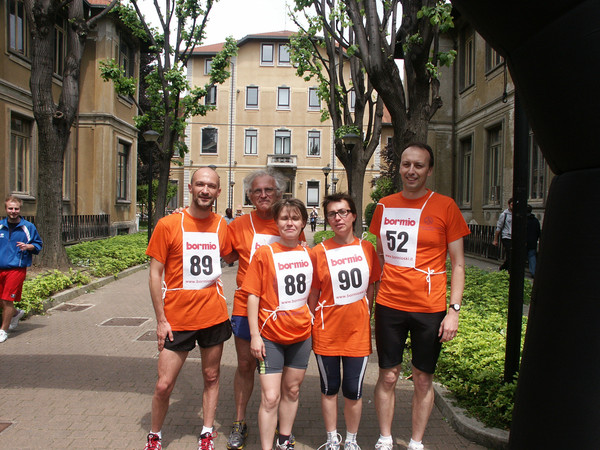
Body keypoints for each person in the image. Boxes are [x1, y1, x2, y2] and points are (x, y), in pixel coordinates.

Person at [369, 143, 470, 450]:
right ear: (399, 167)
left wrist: (453, 310)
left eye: (419, 166)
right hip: (390, 303)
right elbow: (379, 258)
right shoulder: (384, 205)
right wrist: (370, 302)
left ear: (429, 170)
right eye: (406, 164)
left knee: (423, 379)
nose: (411, 171)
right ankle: (385, 438)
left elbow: (459, 264)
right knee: (388, 376)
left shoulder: (445, 206)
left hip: (430, 306)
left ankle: (416, 441)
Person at [144, 167, 235, 450]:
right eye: (200, 185)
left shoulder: (222, 225)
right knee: (164, 384)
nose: (205, 190)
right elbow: (155, 274)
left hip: (213, 315)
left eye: (211, 186)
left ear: (218, 192)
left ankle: (207, 431)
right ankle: (155, 435)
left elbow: (234, 253)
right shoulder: (168, 225)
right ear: (191, 188)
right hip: (177, 318)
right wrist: (160, 320)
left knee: (211, 376)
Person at [225, 170, 305, 450]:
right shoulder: (238, 225)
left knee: (282, 371)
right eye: (257, 191)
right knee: (246, 364)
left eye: (269, 190)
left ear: (279, 194)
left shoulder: (288, 221)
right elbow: (227, 255)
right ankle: (239, 422)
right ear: (249, 195)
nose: (263, 195)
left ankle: (282, 430)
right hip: (246, 306)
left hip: (283, 310)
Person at [308, 193, 381, 450]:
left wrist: (365, 313)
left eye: (343, 212)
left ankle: (351, 440)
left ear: (353, 215)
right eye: (332, 214)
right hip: (327, 332)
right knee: (329, 389)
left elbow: (372, 286)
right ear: (327, 219)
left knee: (353, 390)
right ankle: (332, 439)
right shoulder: (318, 251)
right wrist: (314, 319)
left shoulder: (367, 248)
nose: (338, 218)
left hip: (356, 334)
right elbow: (313, 293)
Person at [243, 198, 313, 450]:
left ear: (304, 222)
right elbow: (252, 295)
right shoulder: (265, 253)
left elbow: (316, 291)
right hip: (270, 336)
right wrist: (254, 335)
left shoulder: (310, 253)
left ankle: (284, 439)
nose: (290, 223)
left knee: (292, 391)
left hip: (302, 335)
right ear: (276, 223)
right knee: (271, 397)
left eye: (295, 218)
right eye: (284, 218)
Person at [0, 196, 43, 343]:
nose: (13, 211)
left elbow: (38, 245)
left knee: (7, 300)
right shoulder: (0, 226)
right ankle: (16, 314)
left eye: (16, 208)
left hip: (16, 269)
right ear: (6, 209)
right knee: (2, 300)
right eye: (10, 208)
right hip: (0, 268)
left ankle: (3, 330)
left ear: (20, 209)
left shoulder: (28, 227)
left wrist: (28, 246)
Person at [493, 198, 513, 271]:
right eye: (511, 204)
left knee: (512, 255)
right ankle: (510, 272)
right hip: (506, 237)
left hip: (514, 237)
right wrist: (495, 239)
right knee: (509, 253)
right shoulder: (504, 215)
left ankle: (503, 267)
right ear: (509, 205)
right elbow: (499, 227)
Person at [526, 204, 541, 277]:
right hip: (533, 242)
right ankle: (533, 272)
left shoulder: (523, 220)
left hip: (524, 242)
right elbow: (538, 232)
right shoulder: (535, 220)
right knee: (532, 257)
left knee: (521, 257)